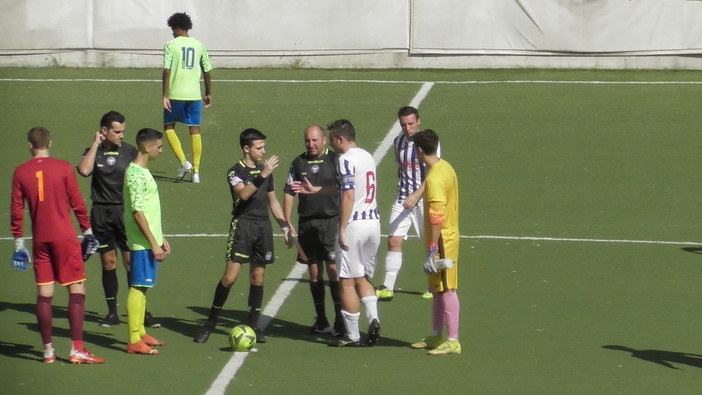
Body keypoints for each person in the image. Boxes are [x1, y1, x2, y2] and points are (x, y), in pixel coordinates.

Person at [10, 126, 105, 364]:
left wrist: (18, 243)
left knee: (44, 293)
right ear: (50, 143)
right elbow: (76, 202)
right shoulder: (63, 168)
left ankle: (48, 350)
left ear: (29, 145)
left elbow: (16, 211)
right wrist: (88, 231)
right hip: (65, 238)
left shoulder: (20, 172)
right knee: (76, 288)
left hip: (40, 239)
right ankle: (76, 349)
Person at [193, 128, 292, 344]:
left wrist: (285, 226)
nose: (263, 151)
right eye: (259, 147)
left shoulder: (265, 171)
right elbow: (243, 194)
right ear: (246, 148)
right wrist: (262, 175)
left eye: (264, 147)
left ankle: (254, 324)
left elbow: (272, 201)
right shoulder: (234, 172)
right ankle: (210, 323)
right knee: (230, 277)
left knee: (258, 277)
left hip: (262, 227)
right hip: (243, 227)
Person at [297, 119, 382, 347]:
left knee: (345, 280)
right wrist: (317, 190)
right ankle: (373, 317)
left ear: (340, 139)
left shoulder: (345, 160)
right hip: (373, 222)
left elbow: (348, 195)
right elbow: (346, 187)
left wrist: (342, 228)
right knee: (362, 275)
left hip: (354, 225)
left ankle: (352, 335)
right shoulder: (367, 156)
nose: (332, 145)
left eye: (333, 140)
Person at [76, 111, 161, 329]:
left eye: (123, 131)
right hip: (102, 213)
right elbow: (84, 170)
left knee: (130, 262)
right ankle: (112, 312)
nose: (121, 135)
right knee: (108, 262)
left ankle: (141, 311)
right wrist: (95, 144)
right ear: (104, 131)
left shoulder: (130, 151)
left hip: (124, 212)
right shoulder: (93, 152)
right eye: (117, 131)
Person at [283, 124, 344, 337]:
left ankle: (340, 319)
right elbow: (290, 191)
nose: (311, 144)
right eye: (307, 140)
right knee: (315, 272)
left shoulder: (336, 160)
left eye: (315, 140)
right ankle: (322, 319)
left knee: (334, 270)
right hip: (307, 224)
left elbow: (344, 188)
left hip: (331, 222)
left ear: (324, 140)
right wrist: (287, 221)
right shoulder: (298, 163)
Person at [376, 106, 440, 302]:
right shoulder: (399, 142)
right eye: (403, 124)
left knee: (429, 243)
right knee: (393, 240)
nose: (407, 128)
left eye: (410, 123)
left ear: (418, 121)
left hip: (423, 201)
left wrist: (416, 195)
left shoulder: (430, 143)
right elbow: (403, 171)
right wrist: (407, 196)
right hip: (403, 200)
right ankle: (388, 286)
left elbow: (434, 173)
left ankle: (434, 284)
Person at [409, 129, 461, 356]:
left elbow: (436, 215)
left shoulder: (434, 178)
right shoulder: (445, 167)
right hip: (444, 237)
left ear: (419, 150)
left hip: (442, 241)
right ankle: (436, 334)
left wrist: (432, 249)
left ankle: (453, 340)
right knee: (437, 288)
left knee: (447, 288)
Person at [123, 128, 170, 355]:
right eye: (159, 146)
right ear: (146, 147)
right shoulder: (135, 174)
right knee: (138, 286)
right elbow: (137, 212)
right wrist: (153, 243)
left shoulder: (143, 171)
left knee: (144, 286)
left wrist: (161, 238)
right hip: (142, 243)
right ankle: (133, 340)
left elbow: (149, 211)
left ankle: (141, 333)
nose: (161, 150)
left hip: (150, 240)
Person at [162, 11, 213, 183]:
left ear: (178, 27)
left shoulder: (171, 44)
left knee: (169, 127)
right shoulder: (200, 45)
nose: (172, 32)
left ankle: (184, 162)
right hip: (194, 95)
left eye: (173, 29)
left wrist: (165, 95)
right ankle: (196, 172)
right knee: (195, 130)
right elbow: (207, 70)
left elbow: (167, 69)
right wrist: (208, 92)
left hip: (176, 94)